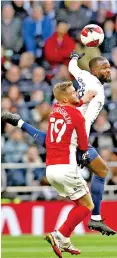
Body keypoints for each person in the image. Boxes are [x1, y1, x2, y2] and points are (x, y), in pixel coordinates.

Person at [2, 76, 116, 236]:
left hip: (57, 160)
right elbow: (80, 131)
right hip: (73, 149)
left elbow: (73, 103)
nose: (76, 93)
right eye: (73, 92)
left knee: (49, 141)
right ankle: (88, 221)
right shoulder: (81, 103)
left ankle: (21, 123)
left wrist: (83, 99)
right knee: (101, 174)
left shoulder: (56, 108)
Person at [68, 51, 116, 234]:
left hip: (68, 129)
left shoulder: (84, 75)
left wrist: (74, 57)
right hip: (75, 137)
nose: (108, 70)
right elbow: (85, 121)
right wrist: (82, 148)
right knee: (98, 173)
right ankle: (92, 219)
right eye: (104, 68)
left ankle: (95, 218)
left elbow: (72, 68)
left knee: (102, 170)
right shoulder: (98, 92)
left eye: (109, 67)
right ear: (94, 70)